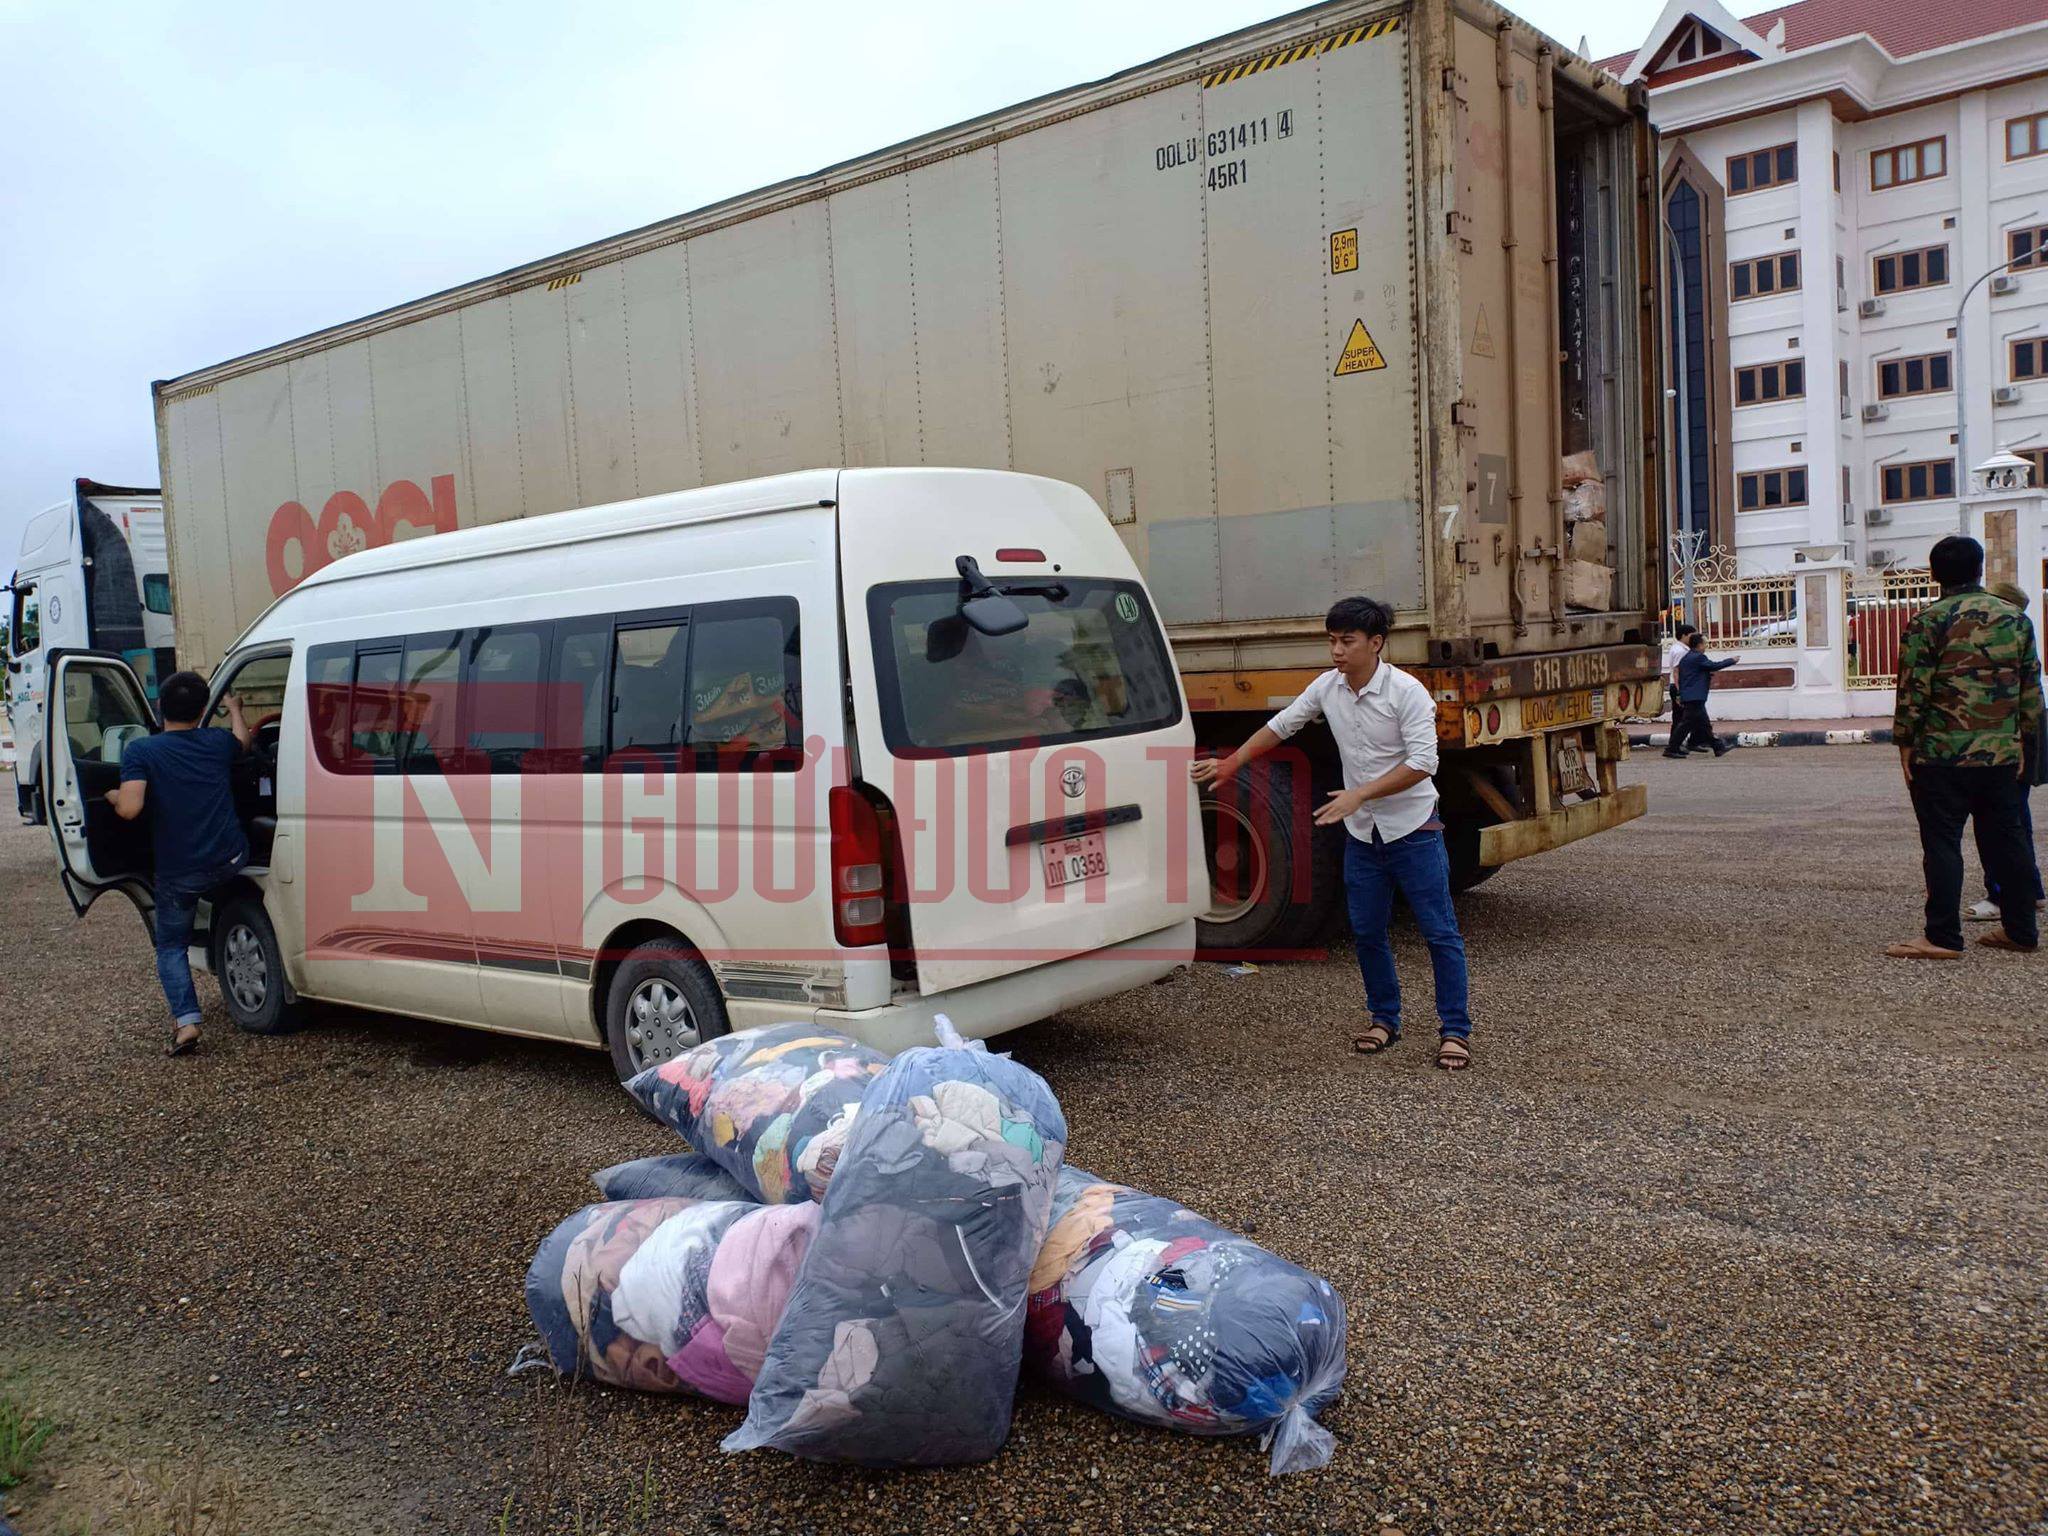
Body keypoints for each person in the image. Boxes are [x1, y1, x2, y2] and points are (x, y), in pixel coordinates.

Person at [1190, 596, 1473, 1070]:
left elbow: (1424, 763)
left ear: (1376, 643)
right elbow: (1281, 726)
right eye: (1332, 640)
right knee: (1366, 931)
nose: (1337, 651)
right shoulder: (1327, 687)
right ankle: (1384, 1019)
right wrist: (1230, 762)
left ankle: (1455, 1031)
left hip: (1413, 829)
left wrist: (1360, 795)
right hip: (1364, 836)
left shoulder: (1407, 692)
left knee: (1439, 932)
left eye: (1347, 641)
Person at [1885, 536, 2043, 960]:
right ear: (1980, 569)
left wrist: (1904, 743)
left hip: (1940, 754)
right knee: (2006, 842)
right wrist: (2027, 742)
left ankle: (1942, 937)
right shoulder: (2015, 620)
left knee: (1941, 843)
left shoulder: (1927, 621)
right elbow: (2031, 687)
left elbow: (1913, 689)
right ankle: (2021, 931)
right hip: (2001, 753)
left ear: (1935, 574)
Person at [107, 670, 252, 1053]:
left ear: (160, 706)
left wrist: (111, 796)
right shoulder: (217, 742)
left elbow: (130, 809)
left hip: (181, 872)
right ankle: (228, 914)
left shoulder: (141, 751)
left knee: (171, 946)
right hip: (230, 858)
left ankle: (187, 1023)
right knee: (235, 874)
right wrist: (234, 709)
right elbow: (243, 741)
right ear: (204, 709)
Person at [1966, 581, 2046, 923]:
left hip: (2004, 743)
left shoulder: (1997, 644)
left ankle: (2002, 896)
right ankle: (2031, 891)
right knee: (2016, 820)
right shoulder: (2018, 637)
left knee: (1998, 823)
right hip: (2024, 736)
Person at [1663, 633, 1737, 759]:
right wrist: (1731, 660)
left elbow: (1693, 674)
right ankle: (1671, 748)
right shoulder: (1698, 657)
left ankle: (1718, 747)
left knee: (1704, 724)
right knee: (1686, 724)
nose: (1705, 646)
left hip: (1692, 695)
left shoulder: (1687, 657)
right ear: (1699, 645)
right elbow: (1714, 665)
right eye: (1704, 644)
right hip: (1694, 696)